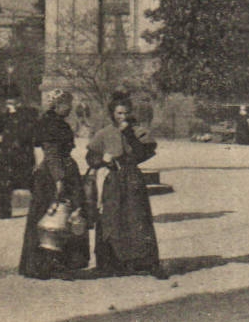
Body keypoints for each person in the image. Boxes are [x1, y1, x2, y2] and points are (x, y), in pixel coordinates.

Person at [85, 95, 163, 278]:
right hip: (112, 180)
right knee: (111, 218)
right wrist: (101, 160)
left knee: (137, 218)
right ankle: (109, 263)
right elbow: (90, 157)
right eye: (119, 113)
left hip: (132, 178)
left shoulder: (138, 131)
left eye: (126, 113)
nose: (123, 117)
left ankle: (142, 262)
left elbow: (145, 152)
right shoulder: (104, 133)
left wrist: (129, 133)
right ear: (112, 114)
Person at [19, 89, 90, 280]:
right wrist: (59, 179)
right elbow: (51, 154)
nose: (70, 107)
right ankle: (49, 264)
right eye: (67, 104)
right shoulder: (51, 125)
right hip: (53, 175)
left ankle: (56, 263)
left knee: (61, 215)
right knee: (55, 216)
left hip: (60, 171)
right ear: (57, 105)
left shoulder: (56, 123)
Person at [0, 88, 39, 220]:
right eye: (7, 100)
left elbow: (29, 132)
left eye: (11, 99)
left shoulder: (28, 113)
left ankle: (39, 208)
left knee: (31, 183)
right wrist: (5, 114)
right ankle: (4, 211)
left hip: (23, 154)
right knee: (4, 183)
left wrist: (15, 115)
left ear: (18, 100)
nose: (8, 102)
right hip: (7, 154)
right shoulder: (5, 115)